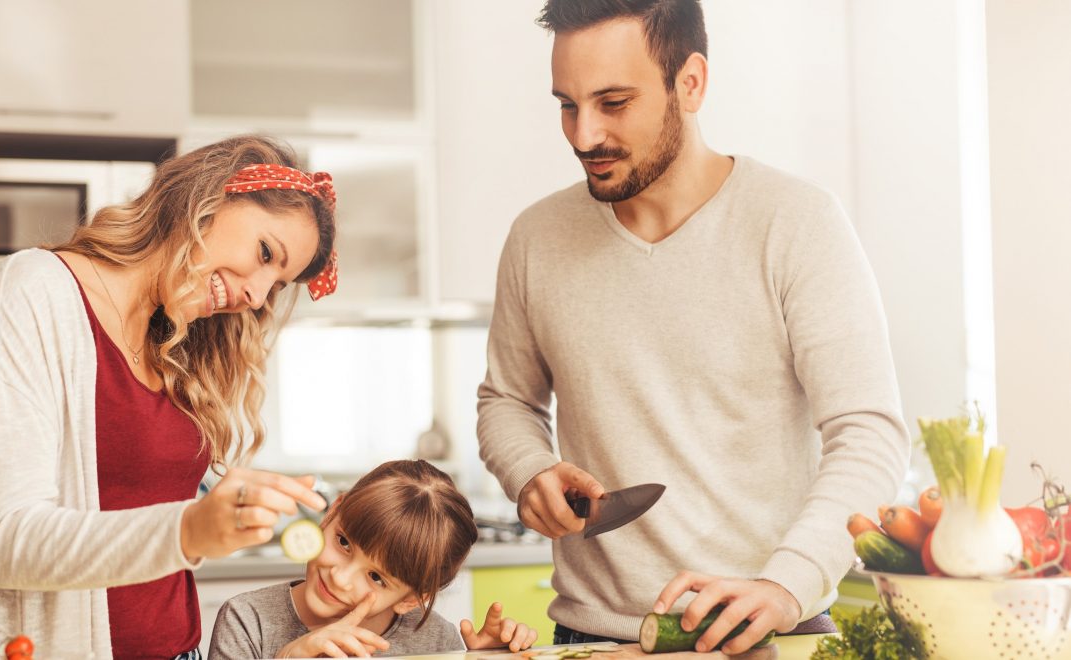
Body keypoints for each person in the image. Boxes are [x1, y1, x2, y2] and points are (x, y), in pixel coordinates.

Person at [476, 0, 911, 655]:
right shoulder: (537, 238)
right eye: (567, 104)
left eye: (613, 102)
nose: (583, 134)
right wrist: (529, 469)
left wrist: (786, 584)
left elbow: (869, 433)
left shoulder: (796, 224)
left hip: (771, 630)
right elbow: (506, 400)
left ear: (691, 82)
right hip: (593, 639)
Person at [0, 135, 341, 659]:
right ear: (209, 198)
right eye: (265, 253)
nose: (256, 297)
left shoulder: (174, 340)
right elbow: (10, 542)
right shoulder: (30, 293)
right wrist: (190, 529)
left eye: (277, 284)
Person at [208, 459, 538, 659]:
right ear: (334, 510)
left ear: (411, 599)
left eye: (376, 577)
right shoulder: (246, 620)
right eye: (343, 542)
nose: (340, 577)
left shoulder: (435, 642)